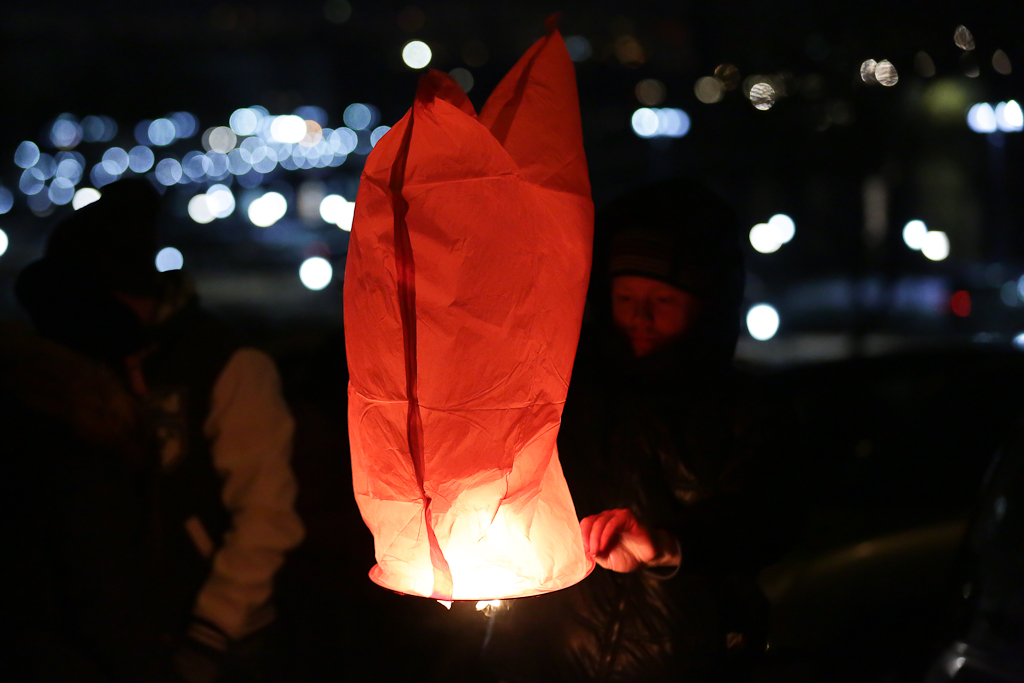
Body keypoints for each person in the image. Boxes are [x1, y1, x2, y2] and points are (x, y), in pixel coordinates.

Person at [479, 179, 802, 683]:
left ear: (707, 306)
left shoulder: (745, 410)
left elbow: (761, 520)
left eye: (663, 301)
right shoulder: (570, 391)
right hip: (552, 658)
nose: (640, 317)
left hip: (689, 662)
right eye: (625, 296)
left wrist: (668, 545)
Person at [15, 178, 305, 682]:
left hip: (227, 643)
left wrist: (208, 635)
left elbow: (266, 516)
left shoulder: (227, 364)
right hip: (135, 638)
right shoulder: (91, 364)